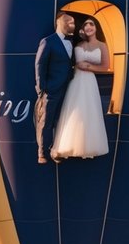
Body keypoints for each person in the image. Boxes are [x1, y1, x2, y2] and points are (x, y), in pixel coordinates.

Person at [51, 17, 111, 159]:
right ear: (82, 29)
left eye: (92, 24)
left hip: (90, 81)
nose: (89, 27)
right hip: (76, 80)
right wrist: (76, 66)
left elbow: (105, 66)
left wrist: (90, 67)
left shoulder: (102, 45)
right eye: (86, 25)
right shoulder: (77, 43)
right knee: (73, 111)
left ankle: (88, 146)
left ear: (96, 28)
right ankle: (66, 145)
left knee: (89, 112)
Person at [35, 11, 75, 164]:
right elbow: (39, 65)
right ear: (58, 22)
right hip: (51, 88)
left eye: (71, 21)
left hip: (68, 87)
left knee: (61, 120)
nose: (70, 24)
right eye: (67, 20)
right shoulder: (48, 41)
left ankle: (56, 150)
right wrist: (41, 88)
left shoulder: (70, 43)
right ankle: (42, 153)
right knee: (46, 121)